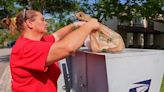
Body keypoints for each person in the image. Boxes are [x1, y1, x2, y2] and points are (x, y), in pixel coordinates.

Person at [9, 9, 99, 92]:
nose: (46, 23)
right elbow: (68, 48)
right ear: (30, 23)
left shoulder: (40, 41)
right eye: (42, 20)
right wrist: (89, 26)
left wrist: (75, 25)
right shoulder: (26, 48)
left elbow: (57, 36)